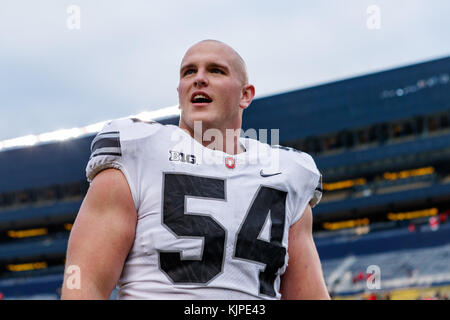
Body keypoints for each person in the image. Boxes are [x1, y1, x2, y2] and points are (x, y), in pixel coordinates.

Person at [61, 39, 330, 300]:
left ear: (245, 95)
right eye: (189, 71)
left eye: (216, 70)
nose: (199, 78)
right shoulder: (139, 152)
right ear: (180, 92)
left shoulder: (287, 173)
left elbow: (308, 295)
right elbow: (85, 283)